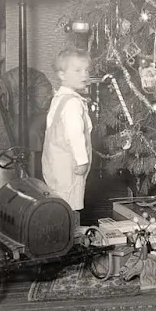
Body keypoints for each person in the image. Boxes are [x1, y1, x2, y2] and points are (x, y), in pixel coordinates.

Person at [42, 48, 92, 225]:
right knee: (70, 203)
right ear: (62, 75)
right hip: (69, 164)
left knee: (58, 198)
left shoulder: (59, 98)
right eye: (77, 70)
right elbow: (75, 135)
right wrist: (81, 160)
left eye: (86, 70)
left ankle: (59, 233)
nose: (84, 74)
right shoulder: (72, 103)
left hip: (55, 162)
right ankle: (71, 237)